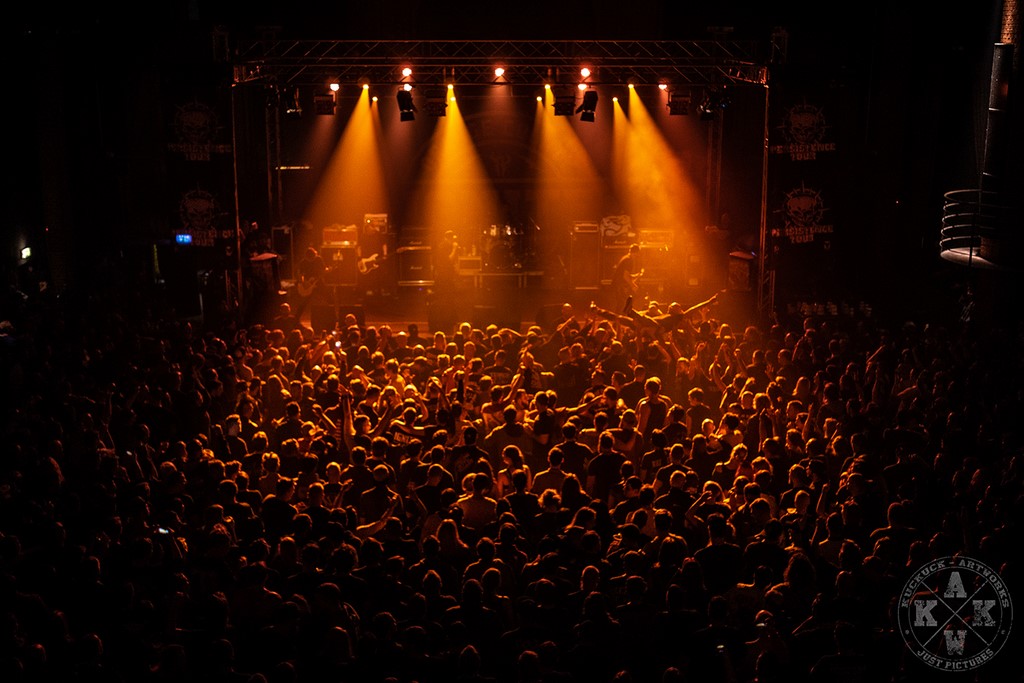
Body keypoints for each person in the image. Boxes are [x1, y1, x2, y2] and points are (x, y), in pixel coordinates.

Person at [294, 246, 327, 322]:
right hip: (308, 284)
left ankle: (331, 316)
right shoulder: (303, 262)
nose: (310, 260)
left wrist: (323, 273)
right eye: (309, 259)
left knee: (327, 297)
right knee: (304, 301)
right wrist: (304, 282)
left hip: (317, 281)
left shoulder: (319, 260)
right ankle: (296, 319)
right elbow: (300, 274)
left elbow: (323, 270)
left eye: (312, 258)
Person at [611, 243, 643, 311]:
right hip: (620, 285)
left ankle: (618, 316)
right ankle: (619, 317)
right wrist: (633, 286)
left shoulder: (626, 258)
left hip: (618, 284)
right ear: (636, 253)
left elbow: (626, 274)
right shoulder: (628, 260)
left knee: (621, 304)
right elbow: (625, 276)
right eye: (638, 254)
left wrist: (636, 275)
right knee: (622, 304)